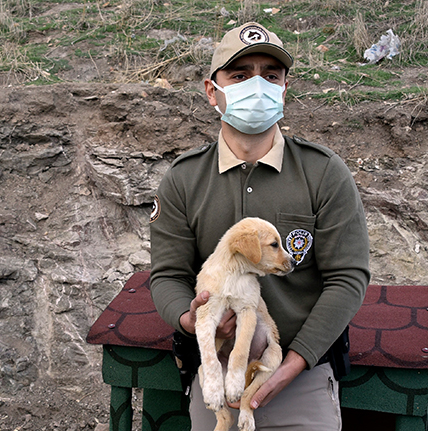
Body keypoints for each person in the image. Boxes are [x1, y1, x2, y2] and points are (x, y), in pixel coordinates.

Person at [149, 22, 370, 430]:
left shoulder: (324, 173)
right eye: (239, 74)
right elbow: (167, 275)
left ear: (284, 89)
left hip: (301, 380)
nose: (258, 85)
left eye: (271, 75)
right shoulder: (183, 179)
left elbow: (348, 277)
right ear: (211, 91)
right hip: (217, 378)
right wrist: (192, 317)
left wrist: (293, 362)